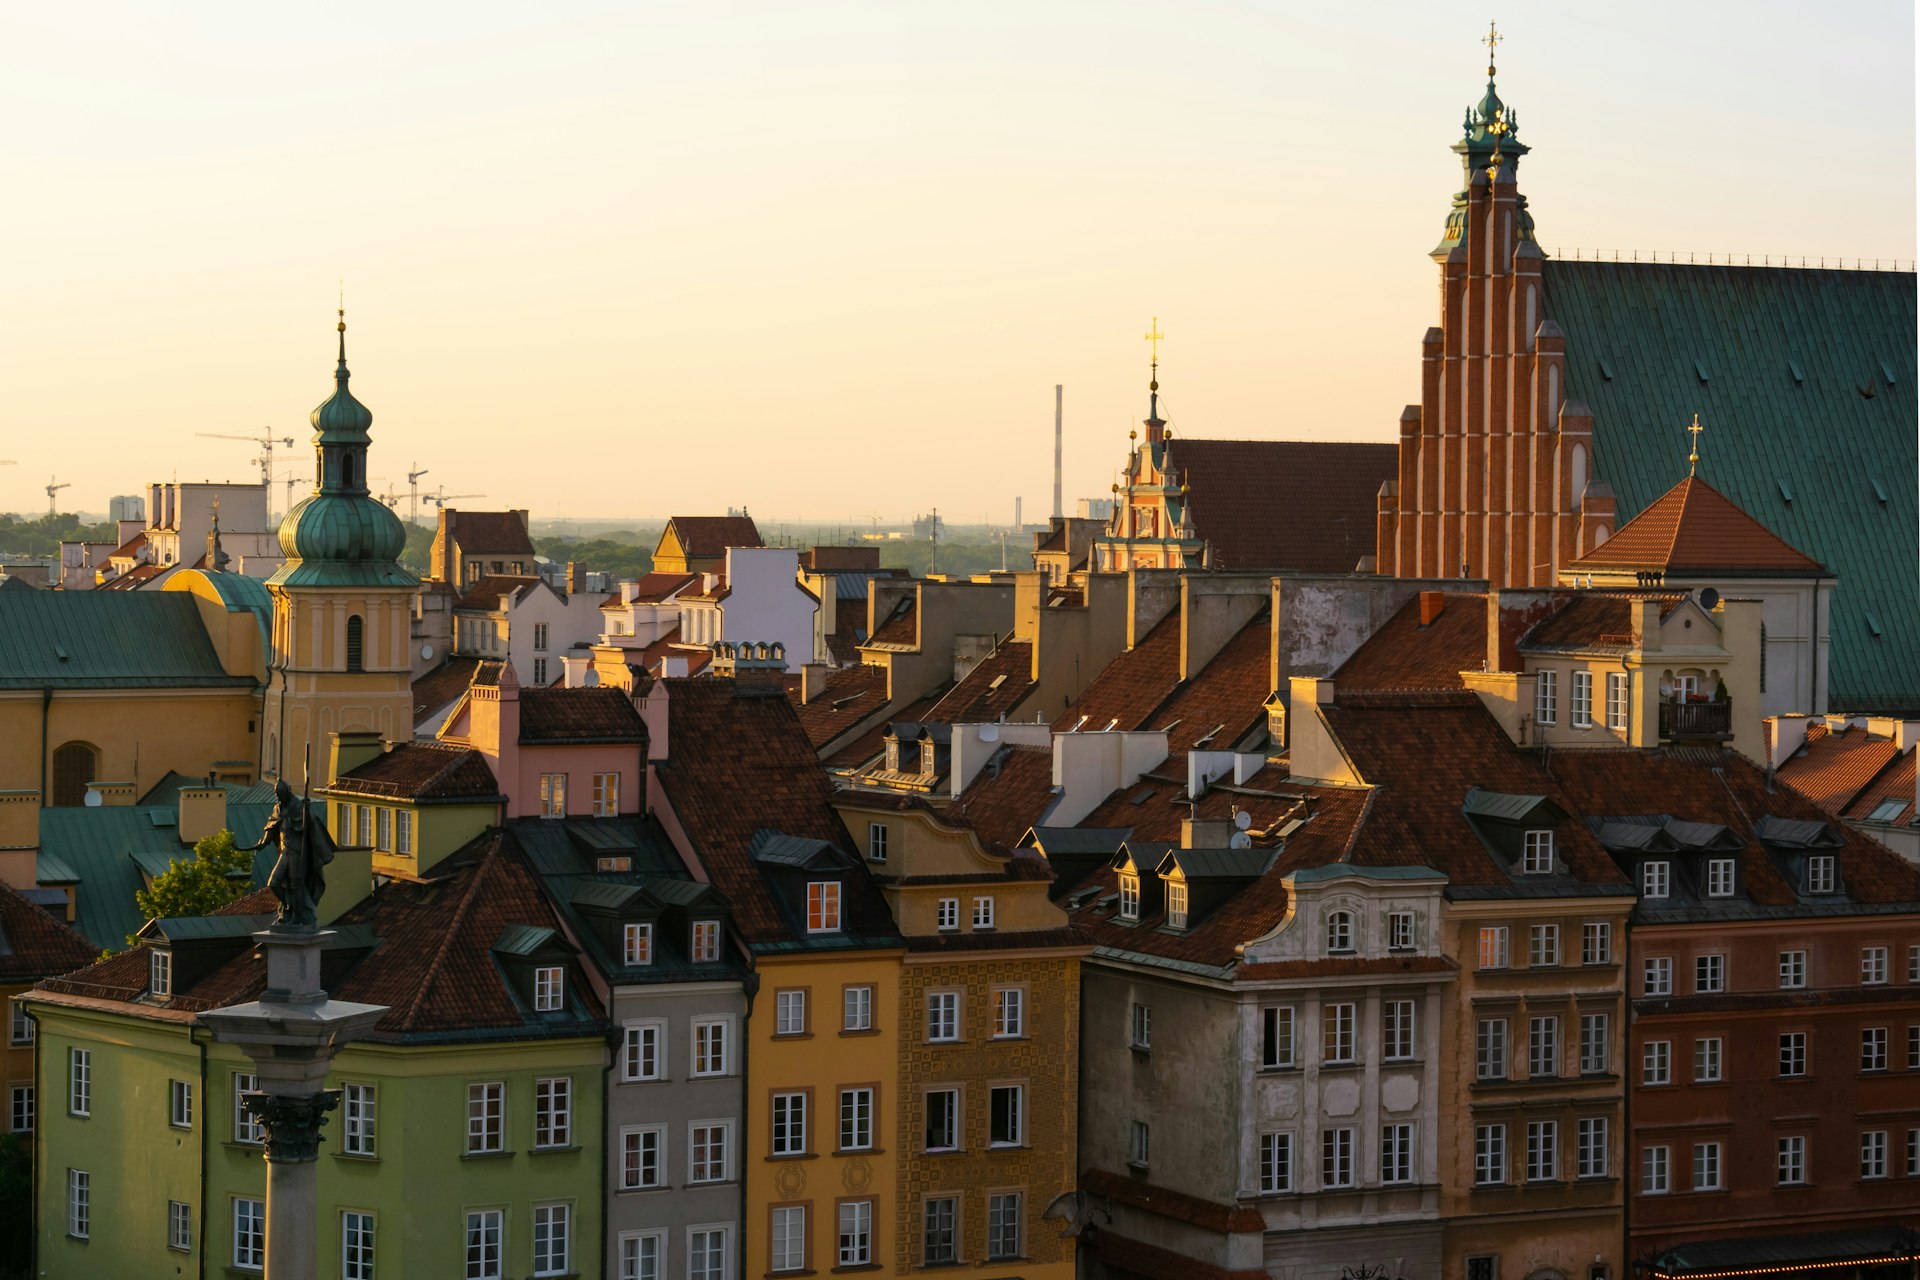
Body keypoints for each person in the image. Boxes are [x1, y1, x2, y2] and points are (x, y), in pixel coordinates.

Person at [246, 779, 335, 930]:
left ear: (288, 791)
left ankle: (298, 917)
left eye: (281, 794)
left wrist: (307, 813)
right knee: (274, 883)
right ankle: (289, 906)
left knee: (296, 885)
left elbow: (310, 826)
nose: (279, 798)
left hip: (298, 853)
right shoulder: (278, 808)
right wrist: (263, 842)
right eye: (277, 795)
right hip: (285, 852)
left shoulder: (299, 807)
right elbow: (272, 826)